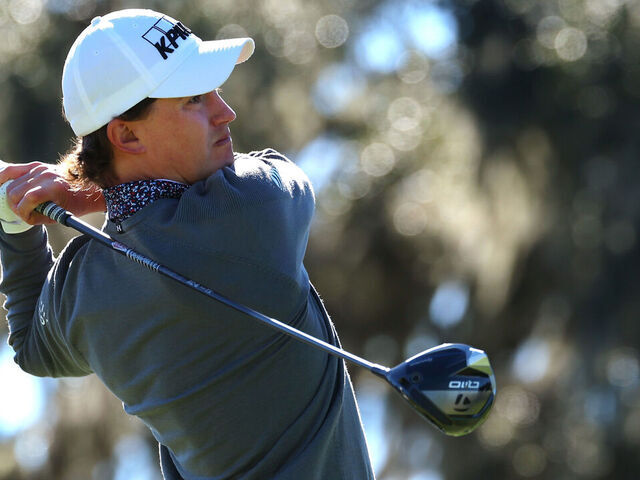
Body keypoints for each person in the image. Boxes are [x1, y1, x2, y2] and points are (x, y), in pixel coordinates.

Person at [0, 9, 375, 480]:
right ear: (126, 134)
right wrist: (84, 196)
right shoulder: (255, 212)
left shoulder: (82, 292)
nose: (226, 111)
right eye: (196, 98)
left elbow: (32, 346)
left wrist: (14, 227)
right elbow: (281, 171)